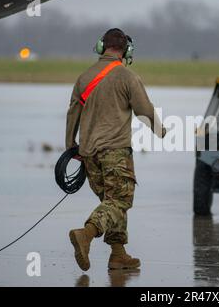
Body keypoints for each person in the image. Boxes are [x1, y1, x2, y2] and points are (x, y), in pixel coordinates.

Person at [65, 28, 165, 271]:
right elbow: (144, 111)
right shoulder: (127, 77)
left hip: (89, 153)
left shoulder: (84, 77)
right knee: (119, 200)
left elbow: (72, 113)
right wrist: (162, 132)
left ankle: (118, 255)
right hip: (115, 152)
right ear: (126, 51)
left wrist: (71, 146)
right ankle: (86, 234)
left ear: (101, 47)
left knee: (110, 203)